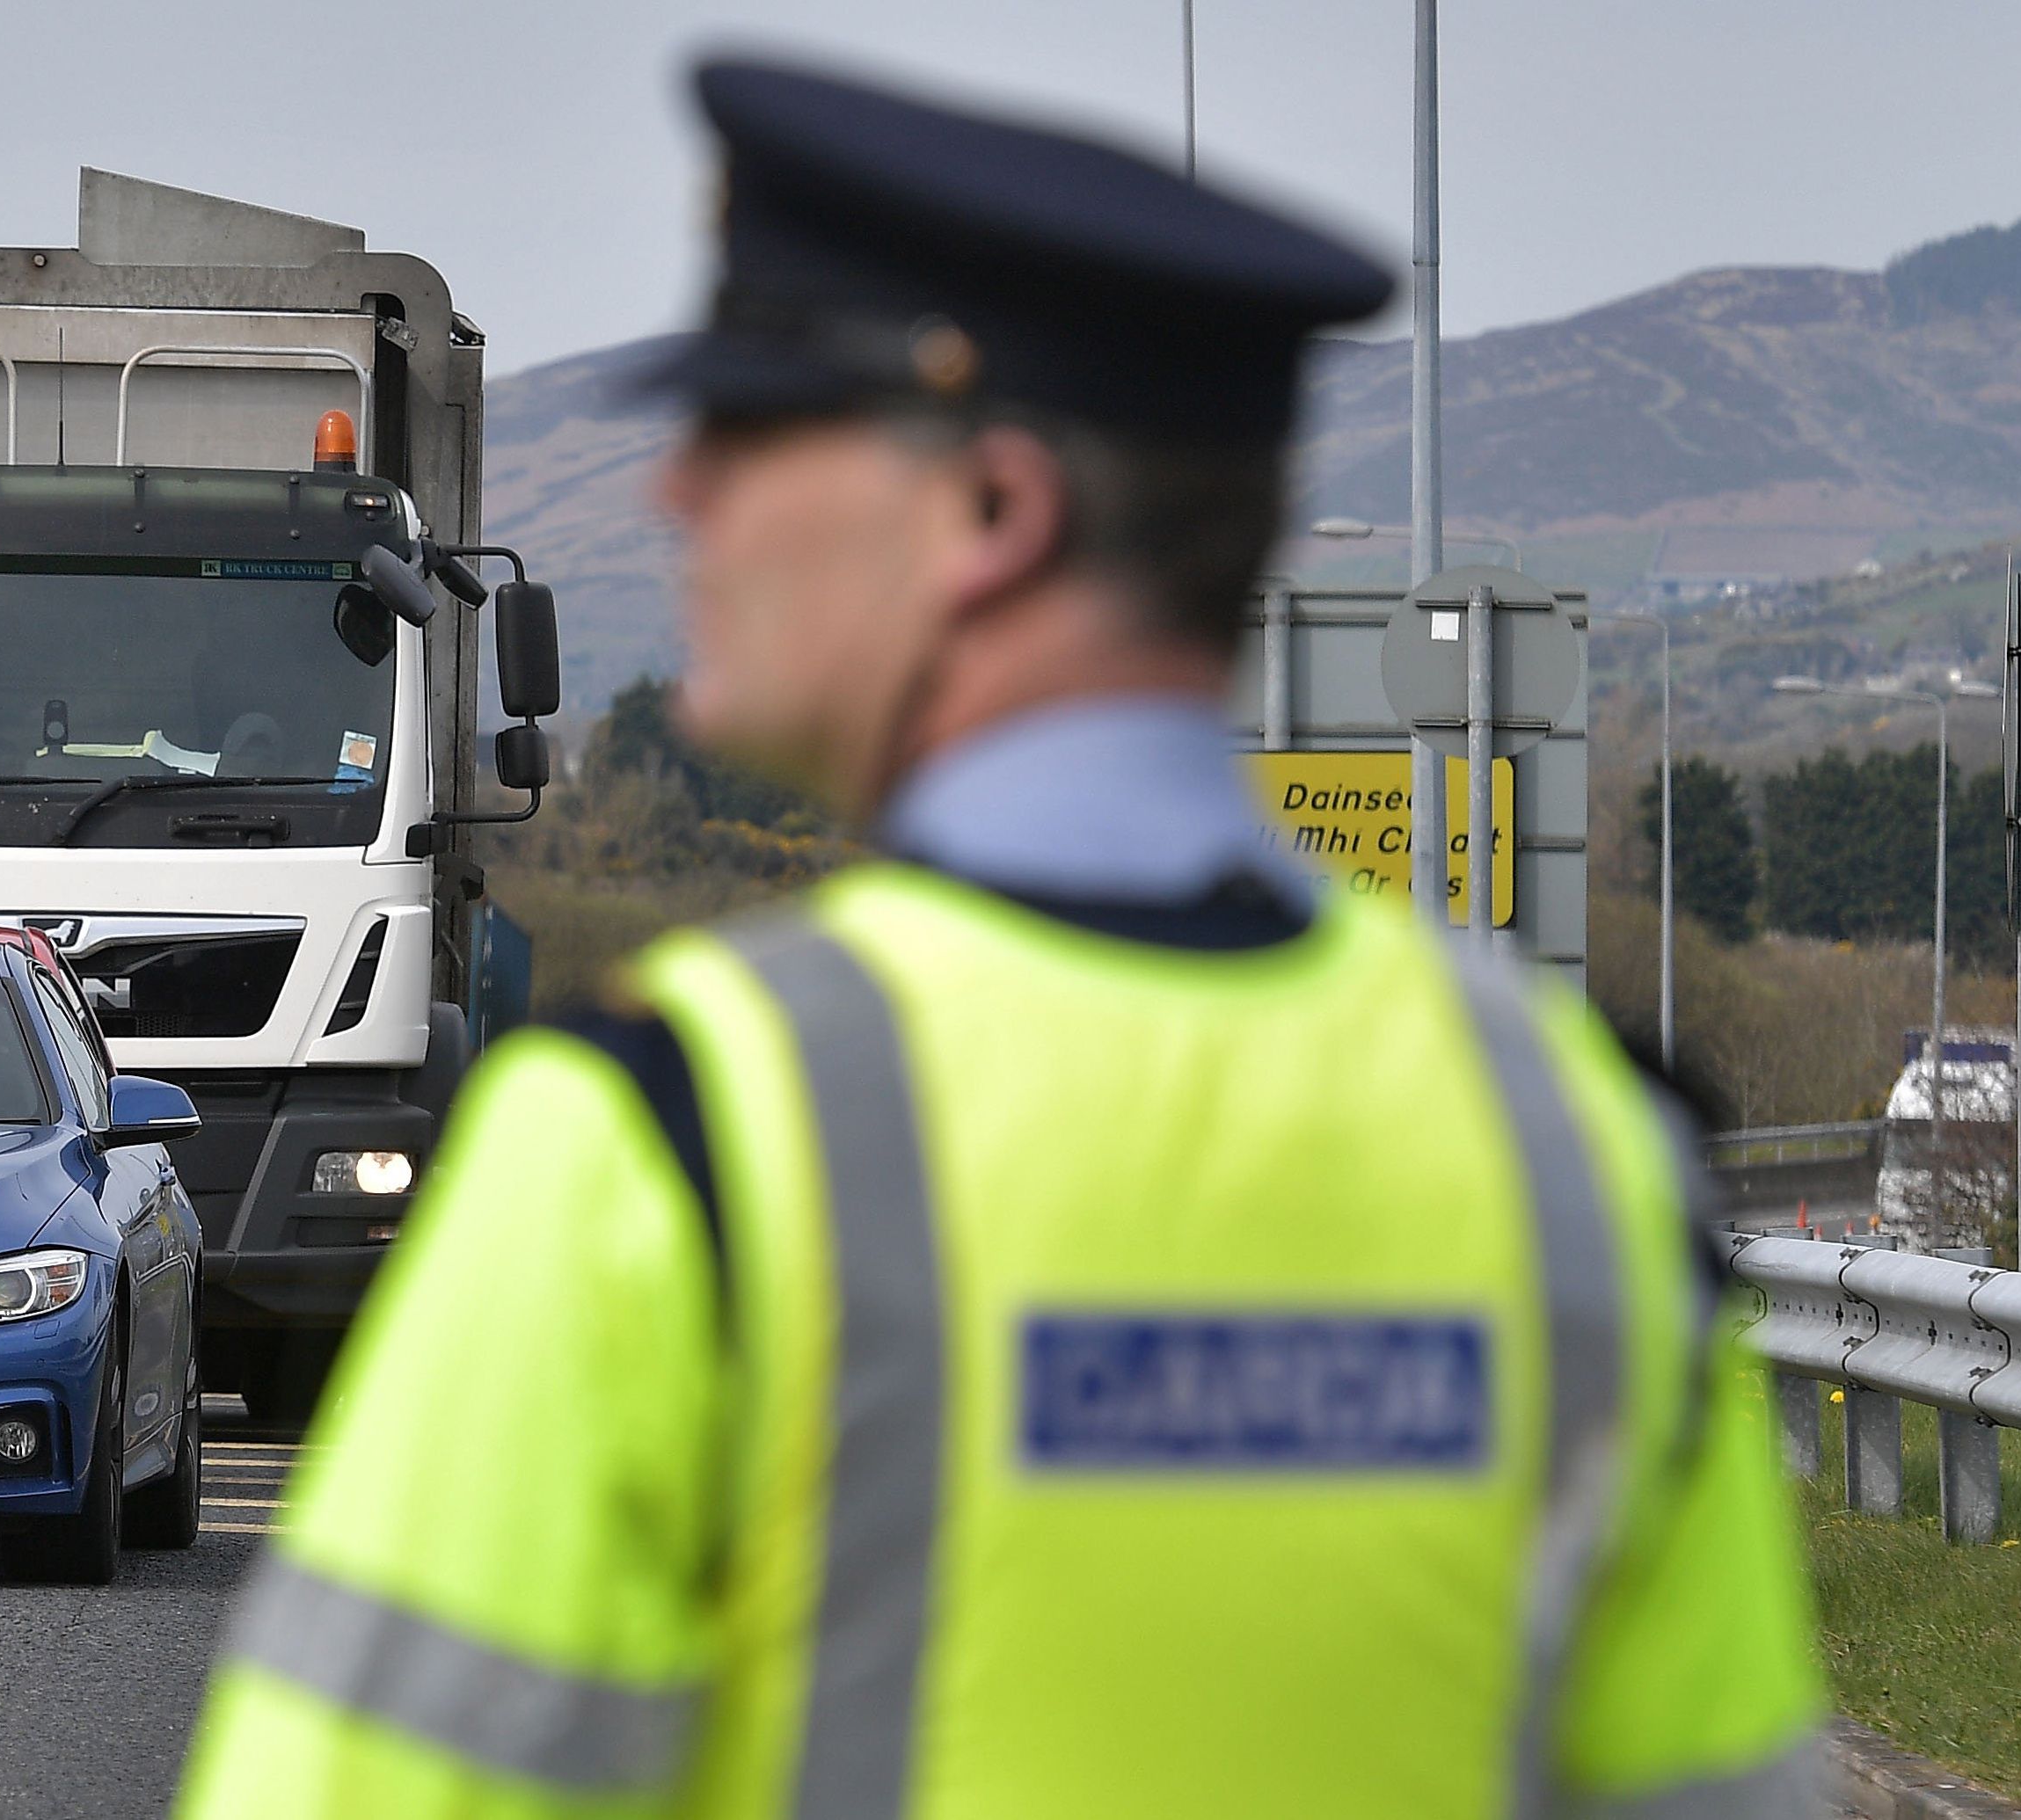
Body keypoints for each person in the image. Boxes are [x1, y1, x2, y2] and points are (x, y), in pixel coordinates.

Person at [174, 57, 1823, 1820]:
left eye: (751, 431)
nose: (680, 499)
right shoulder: (1587, 1165)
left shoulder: (668, 1150)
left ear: (988, 512)